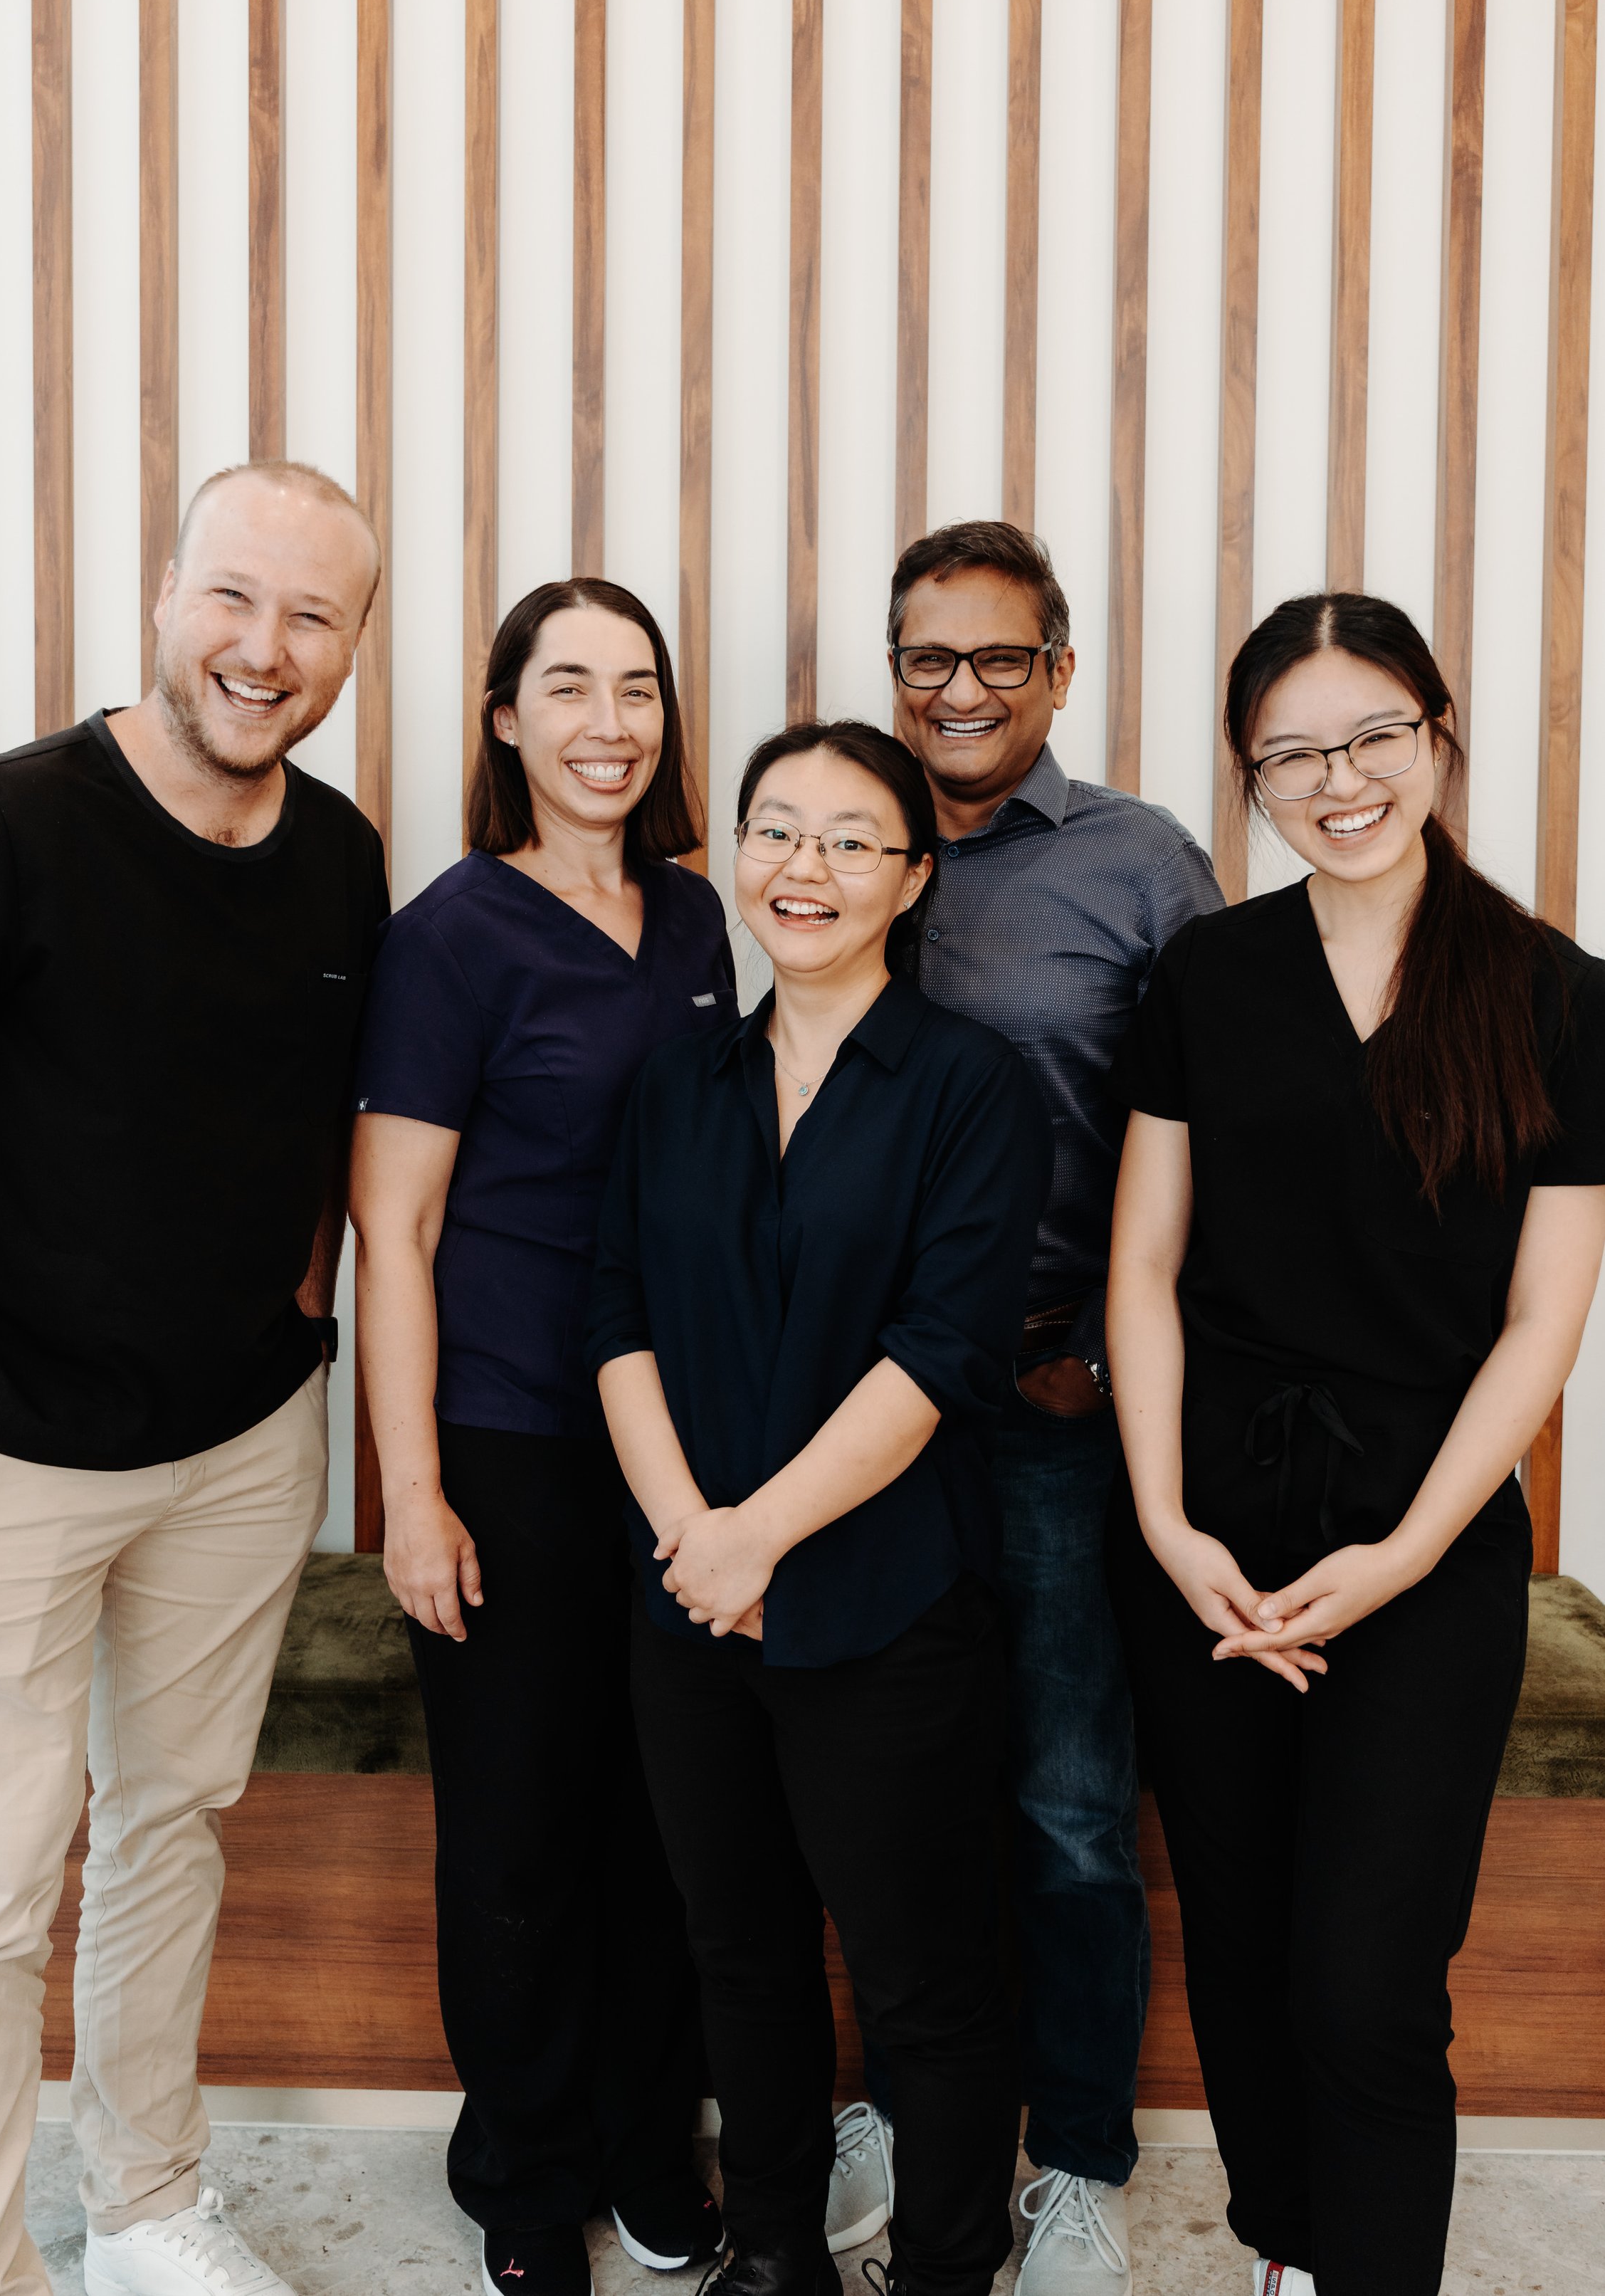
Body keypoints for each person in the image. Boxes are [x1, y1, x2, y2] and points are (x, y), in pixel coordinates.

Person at [0, 461, 391, 2296]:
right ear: (165, 594)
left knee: (173, 1828)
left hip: (233, 1447)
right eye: (234, 597)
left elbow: (314, 1119)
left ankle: (146, 2198)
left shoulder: (341, 854)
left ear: (349, 650)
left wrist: (297, 1314)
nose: (263, 647)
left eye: (312, 617)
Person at [1104, 592, 1605, 2296]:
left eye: (1371, 734)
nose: (1338, 780)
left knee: (1368, 1979)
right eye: (1290, 754)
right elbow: (1143, 1268)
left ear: (1435, 733)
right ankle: (1287, 2251)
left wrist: (1398, 1556)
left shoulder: (1550, 993)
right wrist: (1168, 1523)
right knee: (1238, 1945)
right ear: (1249, 778)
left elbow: (1543, 1324)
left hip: (1425, 1537)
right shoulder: (1205, 973)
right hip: (1210, 1524)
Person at [590, 720, 1051, 2296]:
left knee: (926, 1980)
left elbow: (941, 1353)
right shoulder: (674, 1083)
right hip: (689, 1605)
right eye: (776, 829)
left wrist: (754, 1534)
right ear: (729, 852)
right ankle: (774, 2247)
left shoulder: (966, 1085)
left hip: (886, 1606)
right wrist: (690, 1543)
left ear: (911, 878)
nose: (806, 866)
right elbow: (615, 1314)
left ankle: (940, 2266)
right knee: (745, 1952)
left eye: (852, 839)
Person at [838, 521, 1220, 2290]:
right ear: (891, 669)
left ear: (1057, 672)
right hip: (861, 1401)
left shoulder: (1142, 863)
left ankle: (1072, 2157)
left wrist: (1115, 1359)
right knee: (880, 1773)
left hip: (1061, 1390)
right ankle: (905, 2111)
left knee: (1069, 1796)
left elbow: (1222, 1136)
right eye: (927, 656)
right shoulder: (839, 836)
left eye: (999, 658)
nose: (960, 690)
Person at [350, 580, 732, 2296]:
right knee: (516, 1829)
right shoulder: (452, 932)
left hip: (688, 1453)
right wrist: (412, 1492)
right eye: (563, 685)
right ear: (502, 717)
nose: (606, 721)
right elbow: (398, 1231)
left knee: (671, 1821)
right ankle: (521, 2167)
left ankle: (659, 2148)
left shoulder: (708, 918)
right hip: (507, 1436)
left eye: (635, 687)